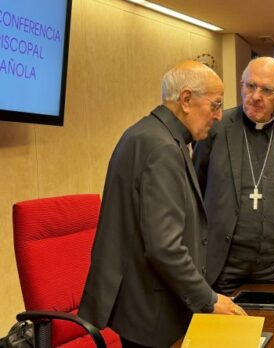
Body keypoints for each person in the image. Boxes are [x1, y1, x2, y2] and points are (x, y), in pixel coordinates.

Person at [79, 60, 246, 348]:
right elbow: (164, 246)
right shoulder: (162, 148)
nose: (218, 116)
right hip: (152, 311)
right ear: (185, 100)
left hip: (140, 302)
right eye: (215, 105)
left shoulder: (146, 134)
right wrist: (208, 299)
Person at [193, 57, 274, 295]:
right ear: (241, 85)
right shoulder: (214, 128)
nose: (255, 96)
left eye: (266, 90)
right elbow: (195, 191)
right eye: (250, 86)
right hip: (224, 266)